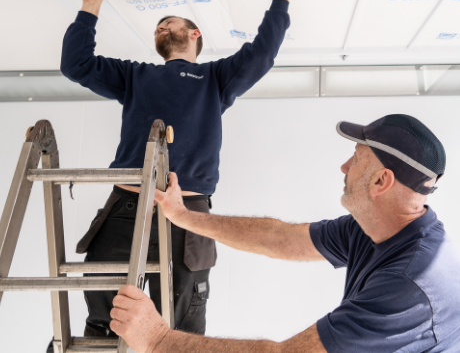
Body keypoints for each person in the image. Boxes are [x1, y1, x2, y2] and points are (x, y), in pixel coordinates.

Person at [58, 0, 322, 341]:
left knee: (183, 332)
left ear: (195, 34)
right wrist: (90, 9)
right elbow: (76, 64)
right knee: (104, 323)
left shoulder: (215, 78)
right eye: (159, 26)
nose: (163, 25)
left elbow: (263, 53)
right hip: (127, 207)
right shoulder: (135, 75)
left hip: (189, 216)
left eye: (172, 22)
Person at [110, 114, 460, 353]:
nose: (344, 167)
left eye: (356, 158)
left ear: (382, 181)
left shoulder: (410, 286)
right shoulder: (377, 229)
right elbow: (277, 238)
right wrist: (183, 216)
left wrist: (156, 340)